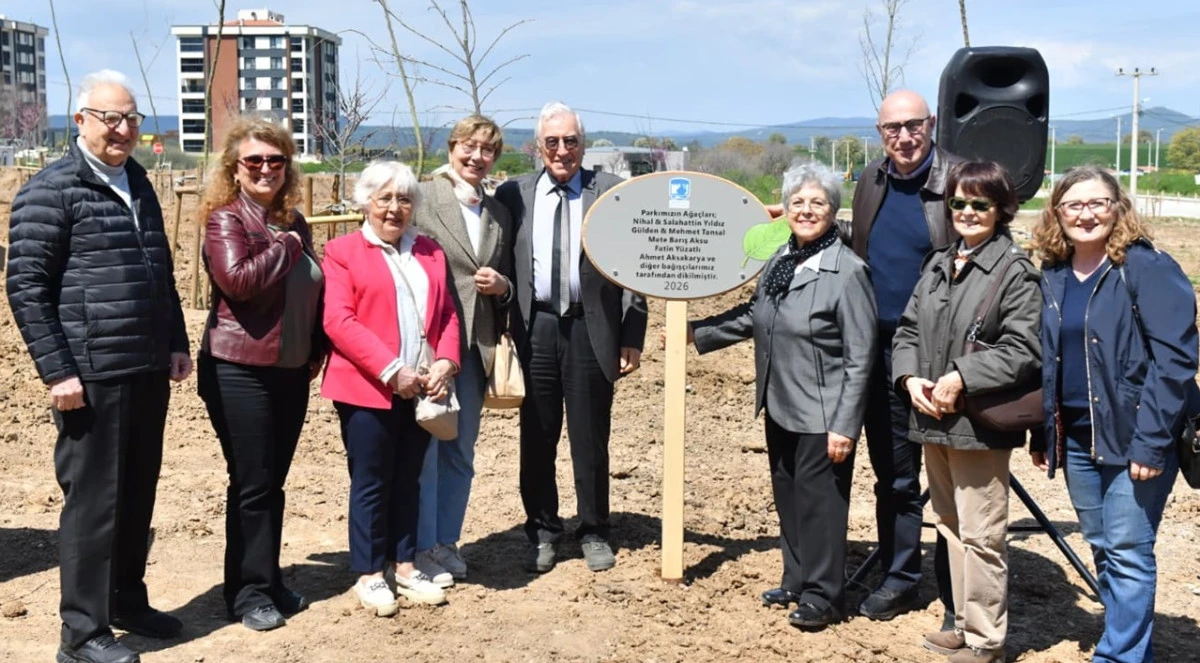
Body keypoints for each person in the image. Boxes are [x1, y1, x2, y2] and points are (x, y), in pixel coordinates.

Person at [6, 69, 190, 663]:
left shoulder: (138, 181)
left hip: (143, 366)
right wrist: (58, 371)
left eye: (131, 118)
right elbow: (26, 287)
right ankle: (81, 634)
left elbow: (159, 270)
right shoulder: (51, 189)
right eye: (109, 117)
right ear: (80, 119)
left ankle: (126, 603)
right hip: (89, 374)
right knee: (93, 502)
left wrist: (177, 339)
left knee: (137, 491)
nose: (122, 129)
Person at [688, 162, 876, 629]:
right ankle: (796, 579)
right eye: (798, 203)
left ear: (833, 211)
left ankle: (826, 596)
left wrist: (845, 425)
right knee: (789, 497)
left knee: (822, 506)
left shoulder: (848, 272)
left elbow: (861, 355)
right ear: (786, 209)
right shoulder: (780, 260)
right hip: (780, 403)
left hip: (823, 413)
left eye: (817, 203)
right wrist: (697, 333)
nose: (807, 210)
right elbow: (755, 316)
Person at [1031, 166, 1198, 663]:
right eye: (1074, 205)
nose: (1086, 214)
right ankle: (1129, 637)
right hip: (1080, 437)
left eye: (1097, 203)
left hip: (1136, 437)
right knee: (1103, 545)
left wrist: (1150, 443)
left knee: (1127, 549)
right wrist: (1046, 432)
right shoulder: (1055, 272)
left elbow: (1176, 363)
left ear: (1117, 206)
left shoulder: (1146, 266)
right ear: (1057, 214)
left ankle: (1119, 656)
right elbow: (1050, 359)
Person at [892, 161, 1042, 663]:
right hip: (933, 417)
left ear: (1001, 210)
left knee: (982, 535)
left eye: (981, 203)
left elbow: (1025, 348)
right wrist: (909, 377)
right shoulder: (938, 263)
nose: (969, 212)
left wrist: (961, 377)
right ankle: (960, 622)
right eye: (959, 202)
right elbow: (908, 330)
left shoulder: (1014, 272)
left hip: (977, 423)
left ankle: (985, 640)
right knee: (950, 525)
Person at [495, 102, 648, 573]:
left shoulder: (612, 193)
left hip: (591, 327)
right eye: (553, 142)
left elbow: (635, 268)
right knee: (537, 438)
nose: (563, 151)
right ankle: (542, 530)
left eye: (572, 141)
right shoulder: (513, 194)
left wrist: (632, 333)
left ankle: (595, 530)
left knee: (590, 438)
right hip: (534, 327)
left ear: (584, 144)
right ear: (538, 147)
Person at [196, 117, 325, 631]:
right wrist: (289, 244)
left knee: (273, 482)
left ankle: (267, 579)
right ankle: (247, 594)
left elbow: (311, 288)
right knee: (252, 483)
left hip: (290, 370)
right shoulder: (226, 220)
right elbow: (240, 281)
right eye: (255, 161)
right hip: (239, 370)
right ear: (235, 167)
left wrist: (316, 346)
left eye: (276, 160)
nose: (266, 169)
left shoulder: (292, 220)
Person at [321, 161, 460, 614]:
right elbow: (339, 321)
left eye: (404, 199)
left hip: (422, 387)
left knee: (409, 478)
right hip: (368, 388)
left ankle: (403, 565)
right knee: (372, 480)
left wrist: (446, 360)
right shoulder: (342, 251)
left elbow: (448, 315)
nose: (394, 209)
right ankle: (367, 572)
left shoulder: (430, 252)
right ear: (366, 201)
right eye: (384, 198)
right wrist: (390, 369)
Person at [849, 89, 963, 622]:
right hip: (881, 353)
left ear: (931, 123)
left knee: (951, 481)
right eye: (891, 129)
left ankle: (957, 595)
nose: (903, 137)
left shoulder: (960, 182)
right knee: (894, 475)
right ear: (880, 133)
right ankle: (900, 578)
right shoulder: (870, 181)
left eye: (913, 125)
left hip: (942, 355)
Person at [411, 115, 513, 587]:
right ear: (451, 147)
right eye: (468, 147)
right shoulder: (422, 195)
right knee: (428, 445)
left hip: (478, 343)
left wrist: (503, 285)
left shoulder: (496, 211)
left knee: (460, 448)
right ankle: (420, 545)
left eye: (487, 150)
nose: (476, 157)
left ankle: (448, 539)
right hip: (429, 342)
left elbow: (508, 273)